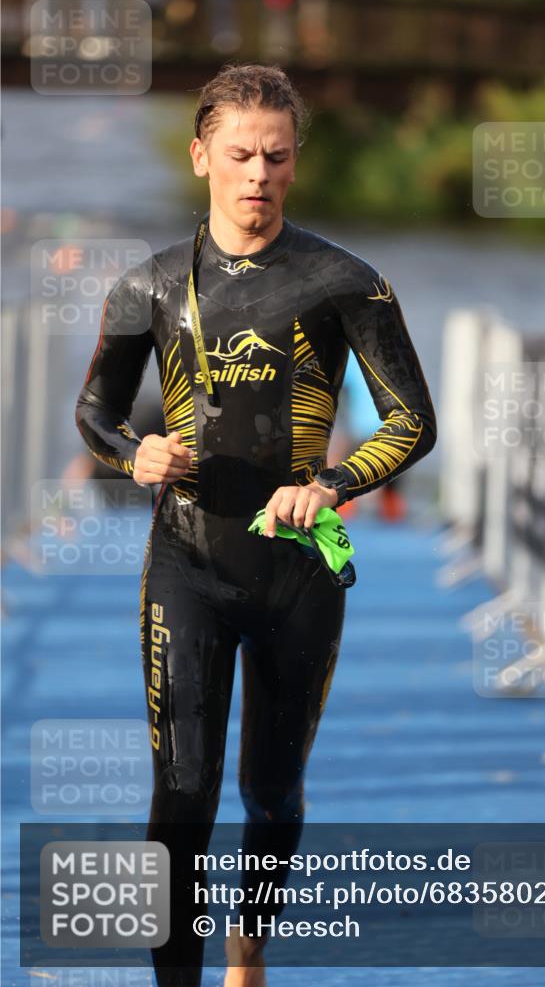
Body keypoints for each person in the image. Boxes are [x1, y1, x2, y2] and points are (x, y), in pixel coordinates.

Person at [75, 64, 436, 987]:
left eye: (276, 157)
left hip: (297, 571)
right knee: (181, 792)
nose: (256, 176)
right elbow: (96, 415)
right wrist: (133, 456)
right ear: (201, 155)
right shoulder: (148, 287)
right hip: (185, 563)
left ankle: (248, 950)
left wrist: (333, 483)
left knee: (269, 794)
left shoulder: (343, 281)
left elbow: (412, 421)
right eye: (238, 155)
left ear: (294, 161)